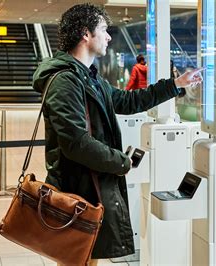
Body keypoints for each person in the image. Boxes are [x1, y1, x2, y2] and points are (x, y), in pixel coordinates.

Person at [32, 3, 202, 265]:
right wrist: (120, 161)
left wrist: (176, 85)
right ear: (85, 34)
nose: (109, 36)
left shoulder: (90, 79)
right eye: (104, 30)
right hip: (77, 190)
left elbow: (128, 101)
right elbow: (75, 143)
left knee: (87, 259)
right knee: (77, 260)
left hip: (91, 187)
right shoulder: (65, 81)